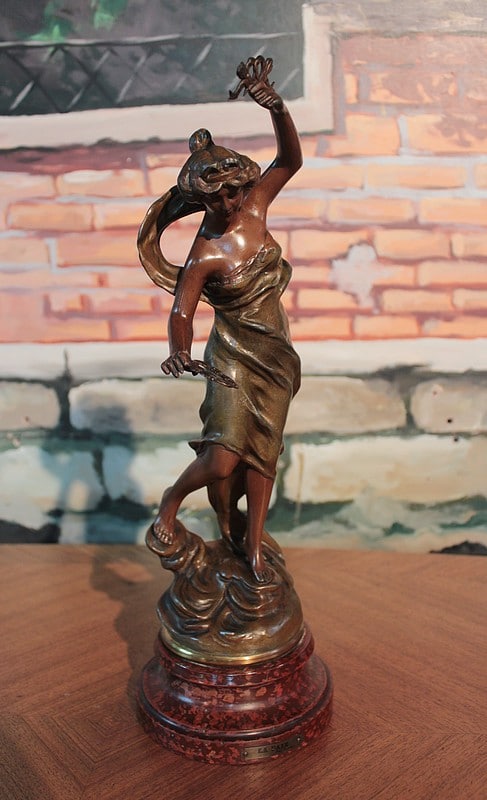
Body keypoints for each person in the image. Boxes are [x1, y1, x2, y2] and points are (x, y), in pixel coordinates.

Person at [137, 57, 302, 583]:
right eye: (215, 196)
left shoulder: (255, 209)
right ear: (199, 198)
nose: (229, 202)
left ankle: (251, 546)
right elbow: (182, 311)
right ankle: (172, 499)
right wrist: (179, 350)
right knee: (224, 457)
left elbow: (290, 160)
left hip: (274, 354)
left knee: (264, 454)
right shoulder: (203, 253)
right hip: (230, 358)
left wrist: (277, 108)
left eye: (234, 190)